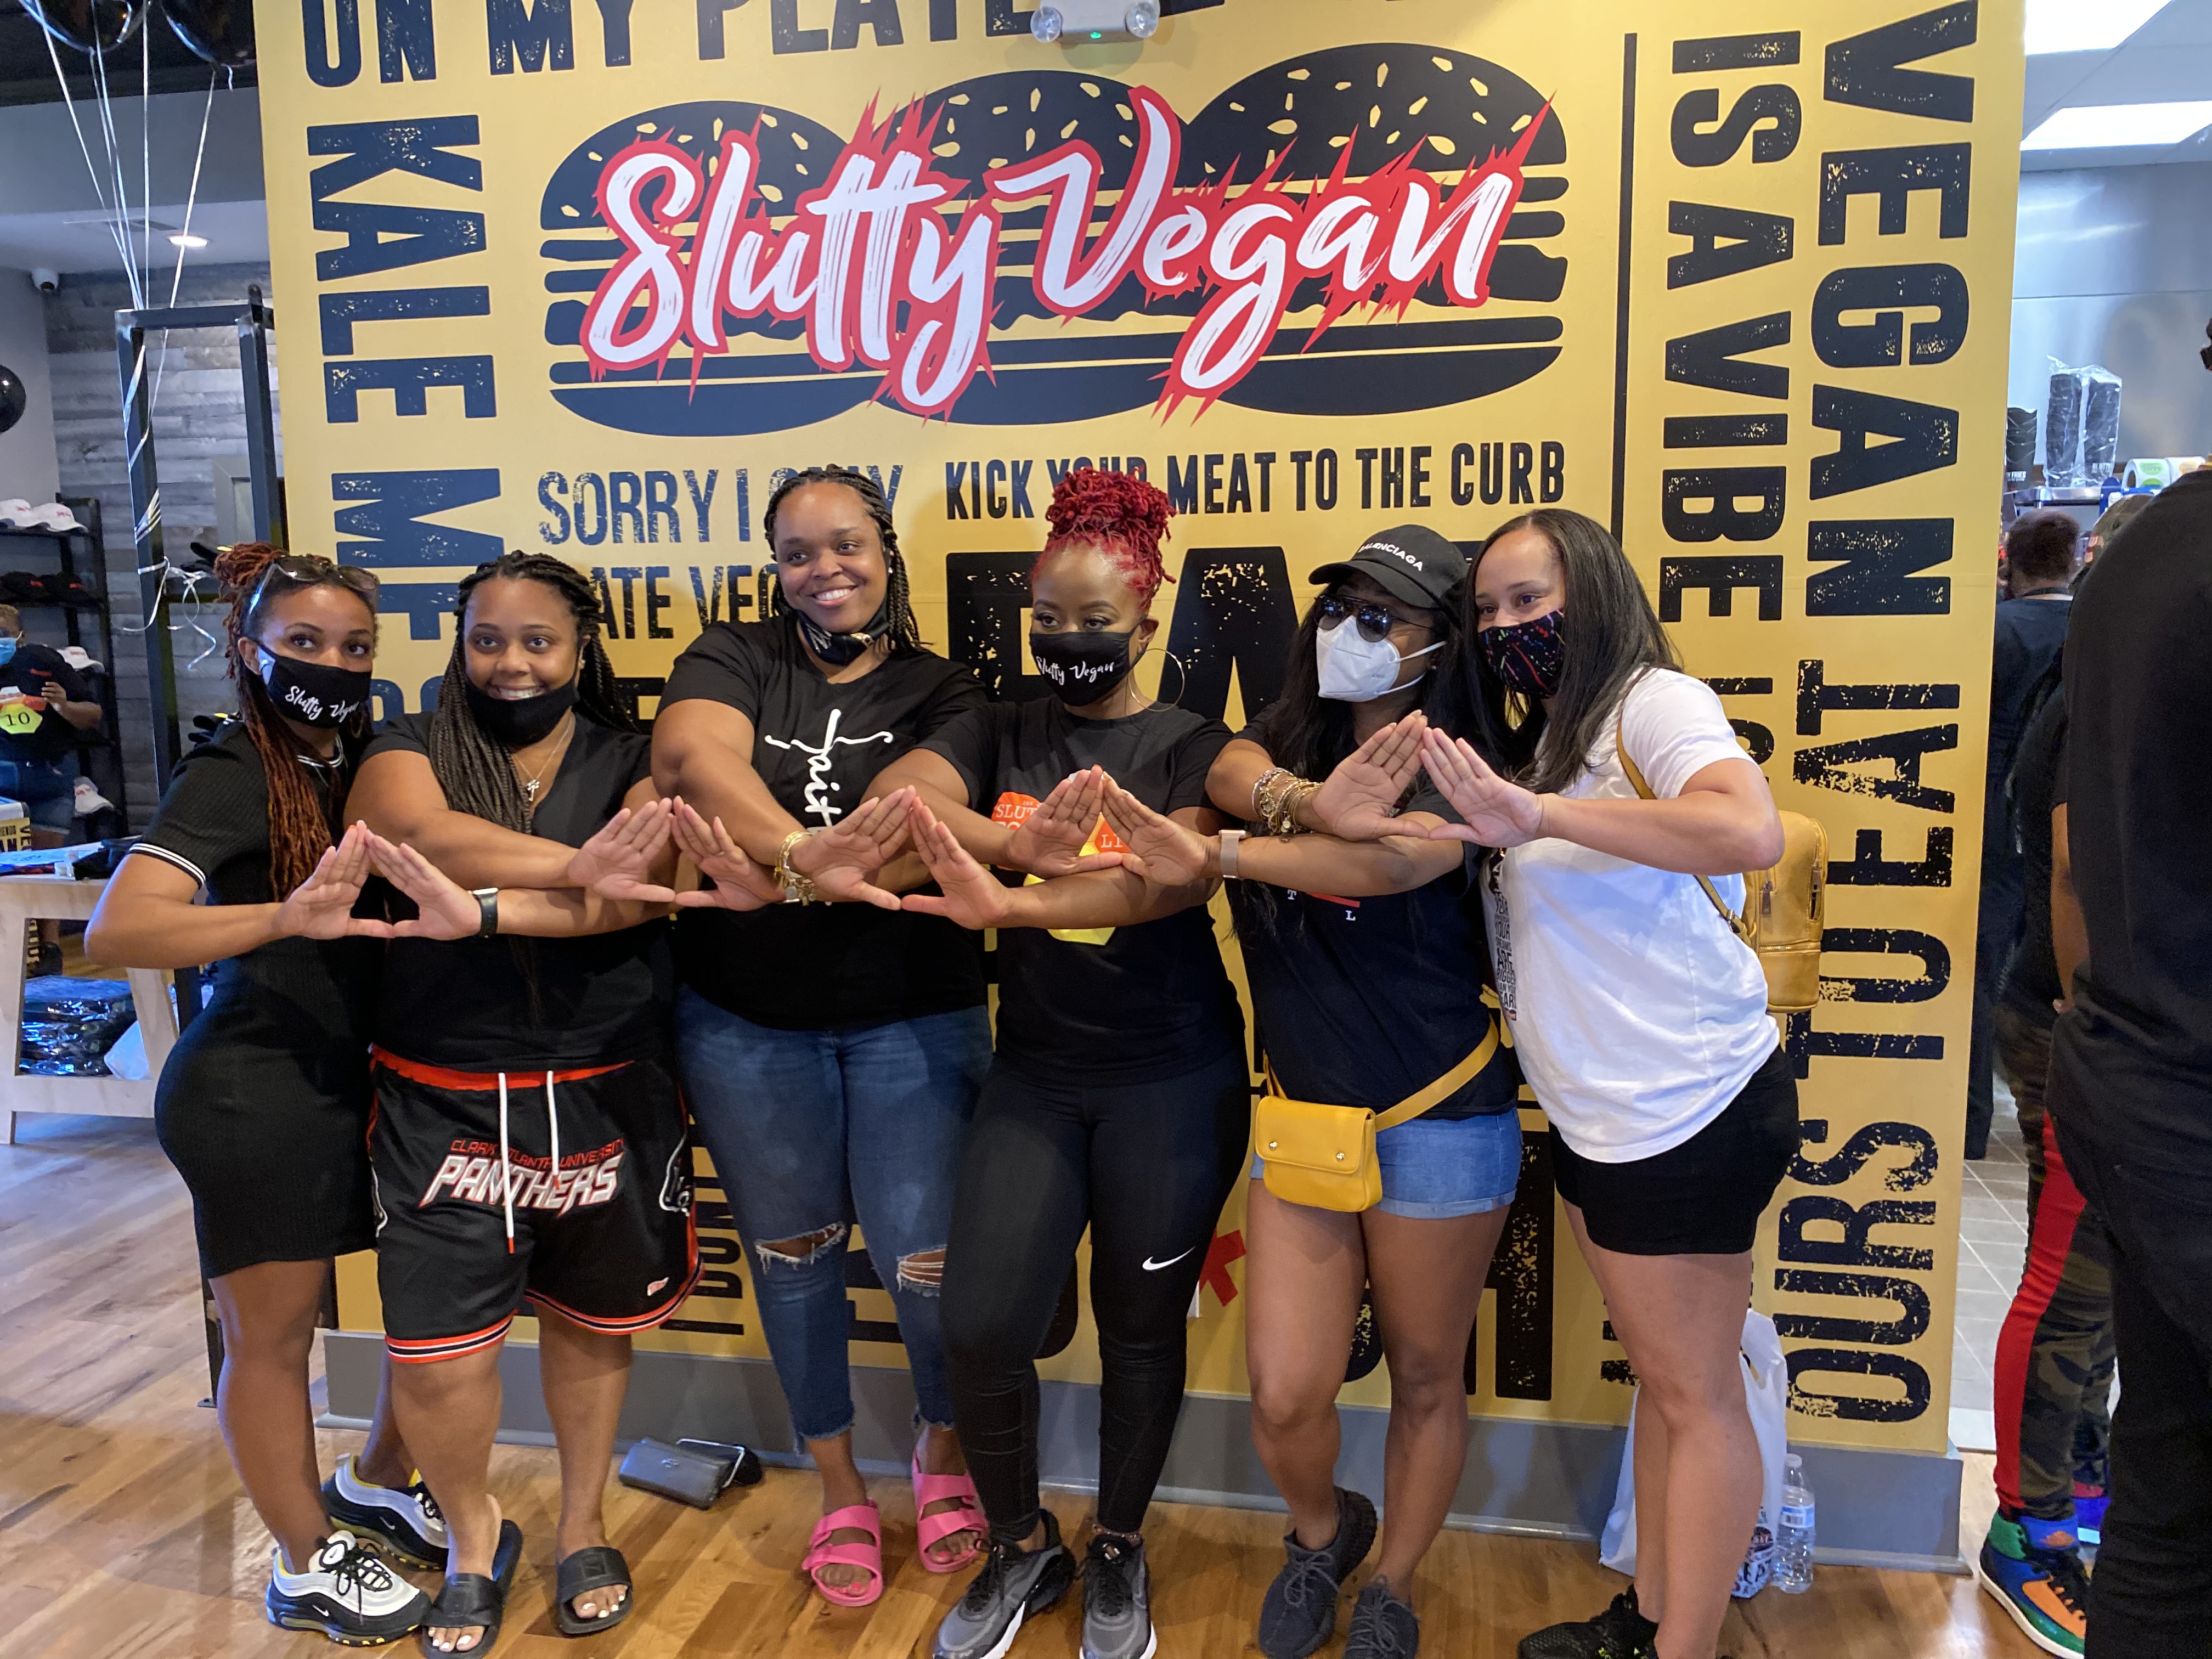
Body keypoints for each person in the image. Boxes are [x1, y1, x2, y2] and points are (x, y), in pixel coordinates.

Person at [1086, 524, 1522, 1658]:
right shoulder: (1284, 741)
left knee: (1425, 1375)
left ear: (1441, 640)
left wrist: (1226, 855)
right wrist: (1303, 800)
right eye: (1339, 609)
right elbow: (1230, 769)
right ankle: (1325, 1533)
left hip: (1442, 1117)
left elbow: (1392, 861)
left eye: (1382, 618)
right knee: (1284, 1394)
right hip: (1306, 1125)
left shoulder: (1476, 760)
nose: (1349, 632)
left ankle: (1394, 1585)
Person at [867, 467, 1247, 1659]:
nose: (1067, 641)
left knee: (1140, 1326)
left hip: (1170, 1080)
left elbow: (1162, 882)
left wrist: (1013, 884)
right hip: (1035, 1074)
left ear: (1147, 618)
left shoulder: (1190, 744)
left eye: (1094, 620)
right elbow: (901, 796)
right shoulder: (999, 725)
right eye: (1047, 618)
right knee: (981, 1323)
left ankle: (1119, 1543)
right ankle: (1021, 1542)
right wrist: (1014, 837)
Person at [1412, 509, 1794, 1659]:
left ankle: (1682, 1647)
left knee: (1696, 1396)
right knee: (1673, 1387)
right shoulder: (1549, 737)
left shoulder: (1651, 704)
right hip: (1602, 1119)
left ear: (1593, 590)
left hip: (1685, 1110)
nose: (1506, 626)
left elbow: (1747, 828)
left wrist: (1536, 816)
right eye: (1488, 610)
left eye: (1530, 600)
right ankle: (1654, 1618)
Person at [348, 552, 713, 1654]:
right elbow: (418, 841)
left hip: (607, 1082)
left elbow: (651, 886)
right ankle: (472, 1539)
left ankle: (583, 1524)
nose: (511, 662)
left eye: (538, 640)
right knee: (437, 1350)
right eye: (488, 639)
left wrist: (504, 902)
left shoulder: (635, 753)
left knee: (590, 1323)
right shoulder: (406, 744)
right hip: (439, 1091)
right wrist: (587, 867)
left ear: (582, 646)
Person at [83, 544, 441, 1645]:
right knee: (274, 1339)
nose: (332, 664)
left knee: (438, 1304)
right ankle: (301, 1559)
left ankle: (375, 1482)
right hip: (255, 1091)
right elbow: (117, 929)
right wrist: (284, 918)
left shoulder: (368, 758)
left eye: (354, 646)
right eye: (304, 642)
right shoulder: (236, 767)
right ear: (250, 649)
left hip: (363, 1079)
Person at [650, 466, 992, 1607]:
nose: (823, 570)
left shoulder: (949, 685)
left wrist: (777, 866)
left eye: (845, 544)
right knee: (794, 1265)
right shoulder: (731, 656)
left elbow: (916, 805)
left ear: (886, 551)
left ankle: (940, 1450)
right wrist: (806, 856)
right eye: (797, 553)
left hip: (915, 1013)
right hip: (747, 1023)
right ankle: (838, 1480)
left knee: (928, 1268)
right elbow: (695, 762)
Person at [2046, 452, 2212, 1658]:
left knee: (2169, 1492)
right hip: (2178, 1083)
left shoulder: (2143, 553)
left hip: (2136, 1069)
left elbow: (2073, 851)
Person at [1976, 670, 2109, 1658]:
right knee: (2069, 1287)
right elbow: (2071, 864)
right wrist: (2090, 1015)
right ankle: (2028, 1528)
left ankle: (2083, 1487)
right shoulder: (2108, 680)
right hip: (2088, 1030)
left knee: (2109, 1287)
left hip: (2125, 1030)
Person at [1969, 510, 2077, 1160]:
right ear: (2072, 560)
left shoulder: (1996, 631)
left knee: (1982, 967)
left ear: (2012, 562)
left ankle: (1969, 1119)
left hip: (1992, 818)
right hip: (2064, 825)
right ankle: (2064, 1117)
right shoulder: (2094, 628)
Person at [0, 602, 104, 972]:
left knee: (46, 869)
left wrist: (63, 706)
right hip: (4, 785)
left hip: (48, 777)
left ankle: (49, 951)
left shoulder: (43, 662)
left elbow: (92, 715)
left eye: (3, 633)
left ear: (20, 635)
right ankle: (13, 951)